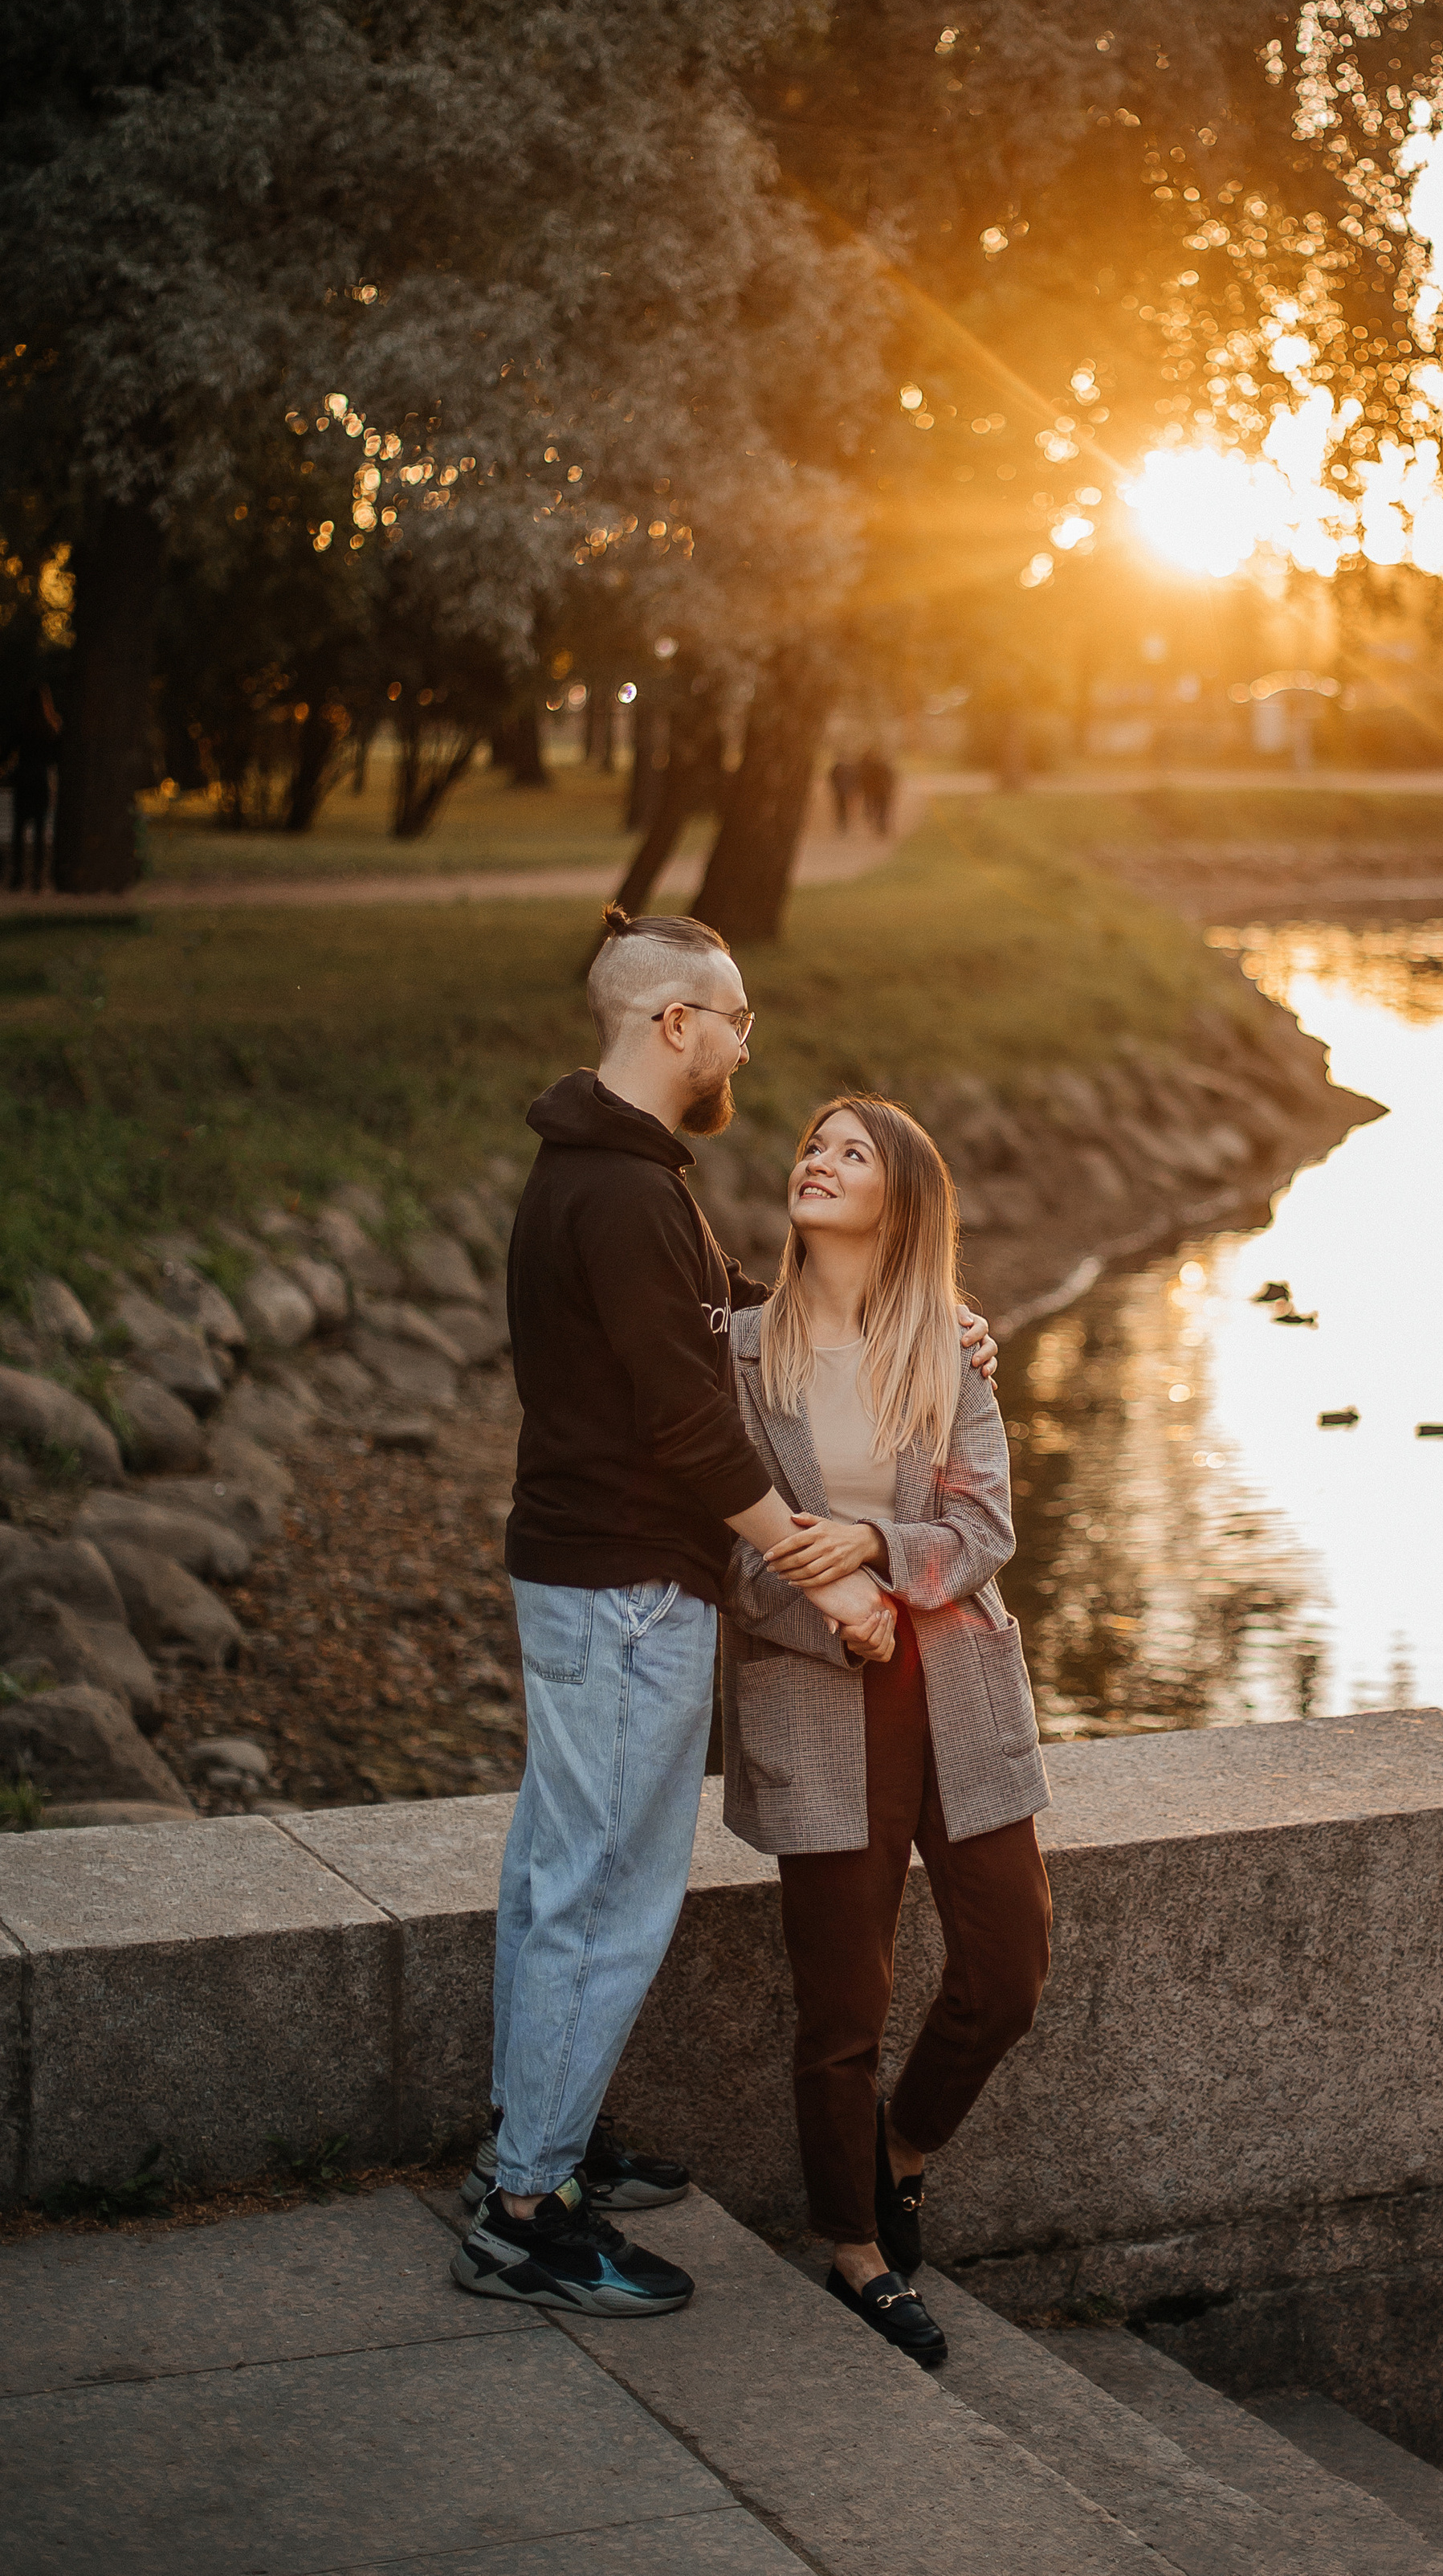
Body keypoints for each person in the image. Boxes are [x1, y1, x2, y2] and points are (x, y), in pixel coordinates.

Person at [452, 909, 994, 2318]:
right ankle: (524, 2214)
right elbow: (699, 1429)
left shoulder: (617, 1175)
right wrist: (835, 1579)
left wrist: (917, 1314)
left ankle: (537, 2148)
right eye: (736, 1015)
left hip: (591, 1574)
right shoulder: (622, 1194)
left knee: (550, 1878)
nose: (752, 1040)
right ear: (673, 1024)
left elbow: (722, 1320)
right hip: (625, 1583)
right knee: (606, 1900)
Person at [722, 1095, 1051, 2370]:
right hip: (816, 1691)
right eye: (814, 1146)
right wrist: (831, 1617)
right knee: (841, 2000)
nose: (820, 1161)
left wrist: (874, 1549)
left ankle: (900, 2150)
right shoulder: (744, 1354)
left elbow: (986, 1531)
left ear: (901, 1199)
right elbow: (733, 1556)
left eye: (852, 1154)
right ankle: (853, 2248)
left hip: (957, 1683)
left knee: (1009, 1965)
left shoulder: (947, 1350)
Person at [5, 684, 61, 895]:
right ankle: (38, 877)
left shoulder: (22, 726)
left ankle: (18, 876)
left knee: (19, 831)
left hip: (24, 780)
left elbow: (9, 752)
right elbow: (57, 757)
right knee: (39, 832)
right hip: (42, 781)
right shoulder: (51, 727)